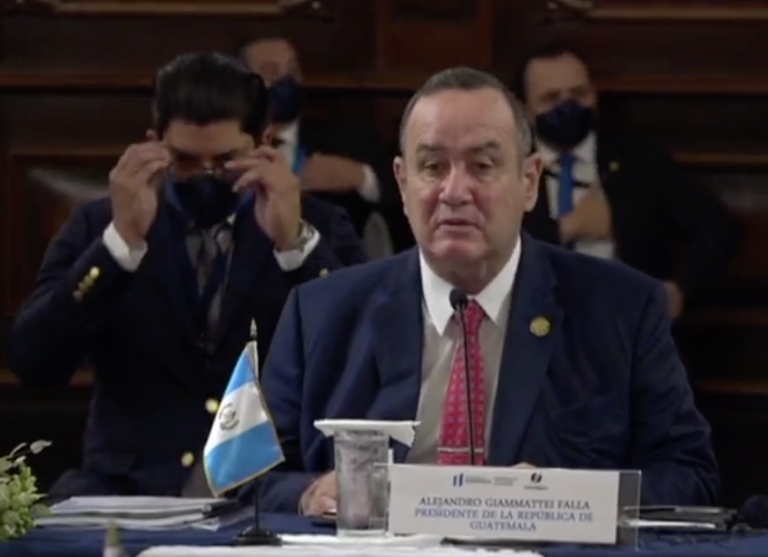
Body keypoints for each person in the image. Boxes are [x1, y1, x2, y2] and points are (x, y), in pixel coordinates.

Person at [258, 67, 720, 514]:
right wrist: (311, 491)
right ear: (402, 183)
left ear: (529, 181)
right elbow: (251, 478)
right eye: (432, 166)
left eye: (482, 166)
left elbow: (690, 475)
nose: (455, 191)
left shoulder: (623, 308)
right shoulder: (320, 311)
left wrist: (572, 496)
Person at [7, 52, 366, 498]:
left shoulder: (318, 226)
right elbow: (34, 361)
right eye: (185, 162)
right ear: (152, 143)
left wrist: (295, 245)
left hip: (266, 495)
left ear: (264, 143)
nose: (205, 177)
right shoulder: (100, 225)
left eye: (225, 161)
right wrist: (120, 246)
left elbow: (364, 355)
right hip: (126, 490)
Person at [516, 42, 739, 318]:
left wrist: (678, 290)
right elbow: (487, 260)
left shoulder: (639, 158)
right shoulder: (508, 171)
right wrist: (566, 228)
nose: (568, 106)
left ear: (595, 95)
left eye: (578, 93)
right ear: (525, 110)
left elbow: (716, 226)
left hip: (629, 326)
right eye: (551, 98)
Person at [239, 34, 402, 256]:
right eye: (271, 72)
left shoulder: (350, 135)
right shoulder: (231, 144)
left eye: (293, 70)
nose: (286, 80)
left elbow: (404, 200)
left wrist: (361, 177)